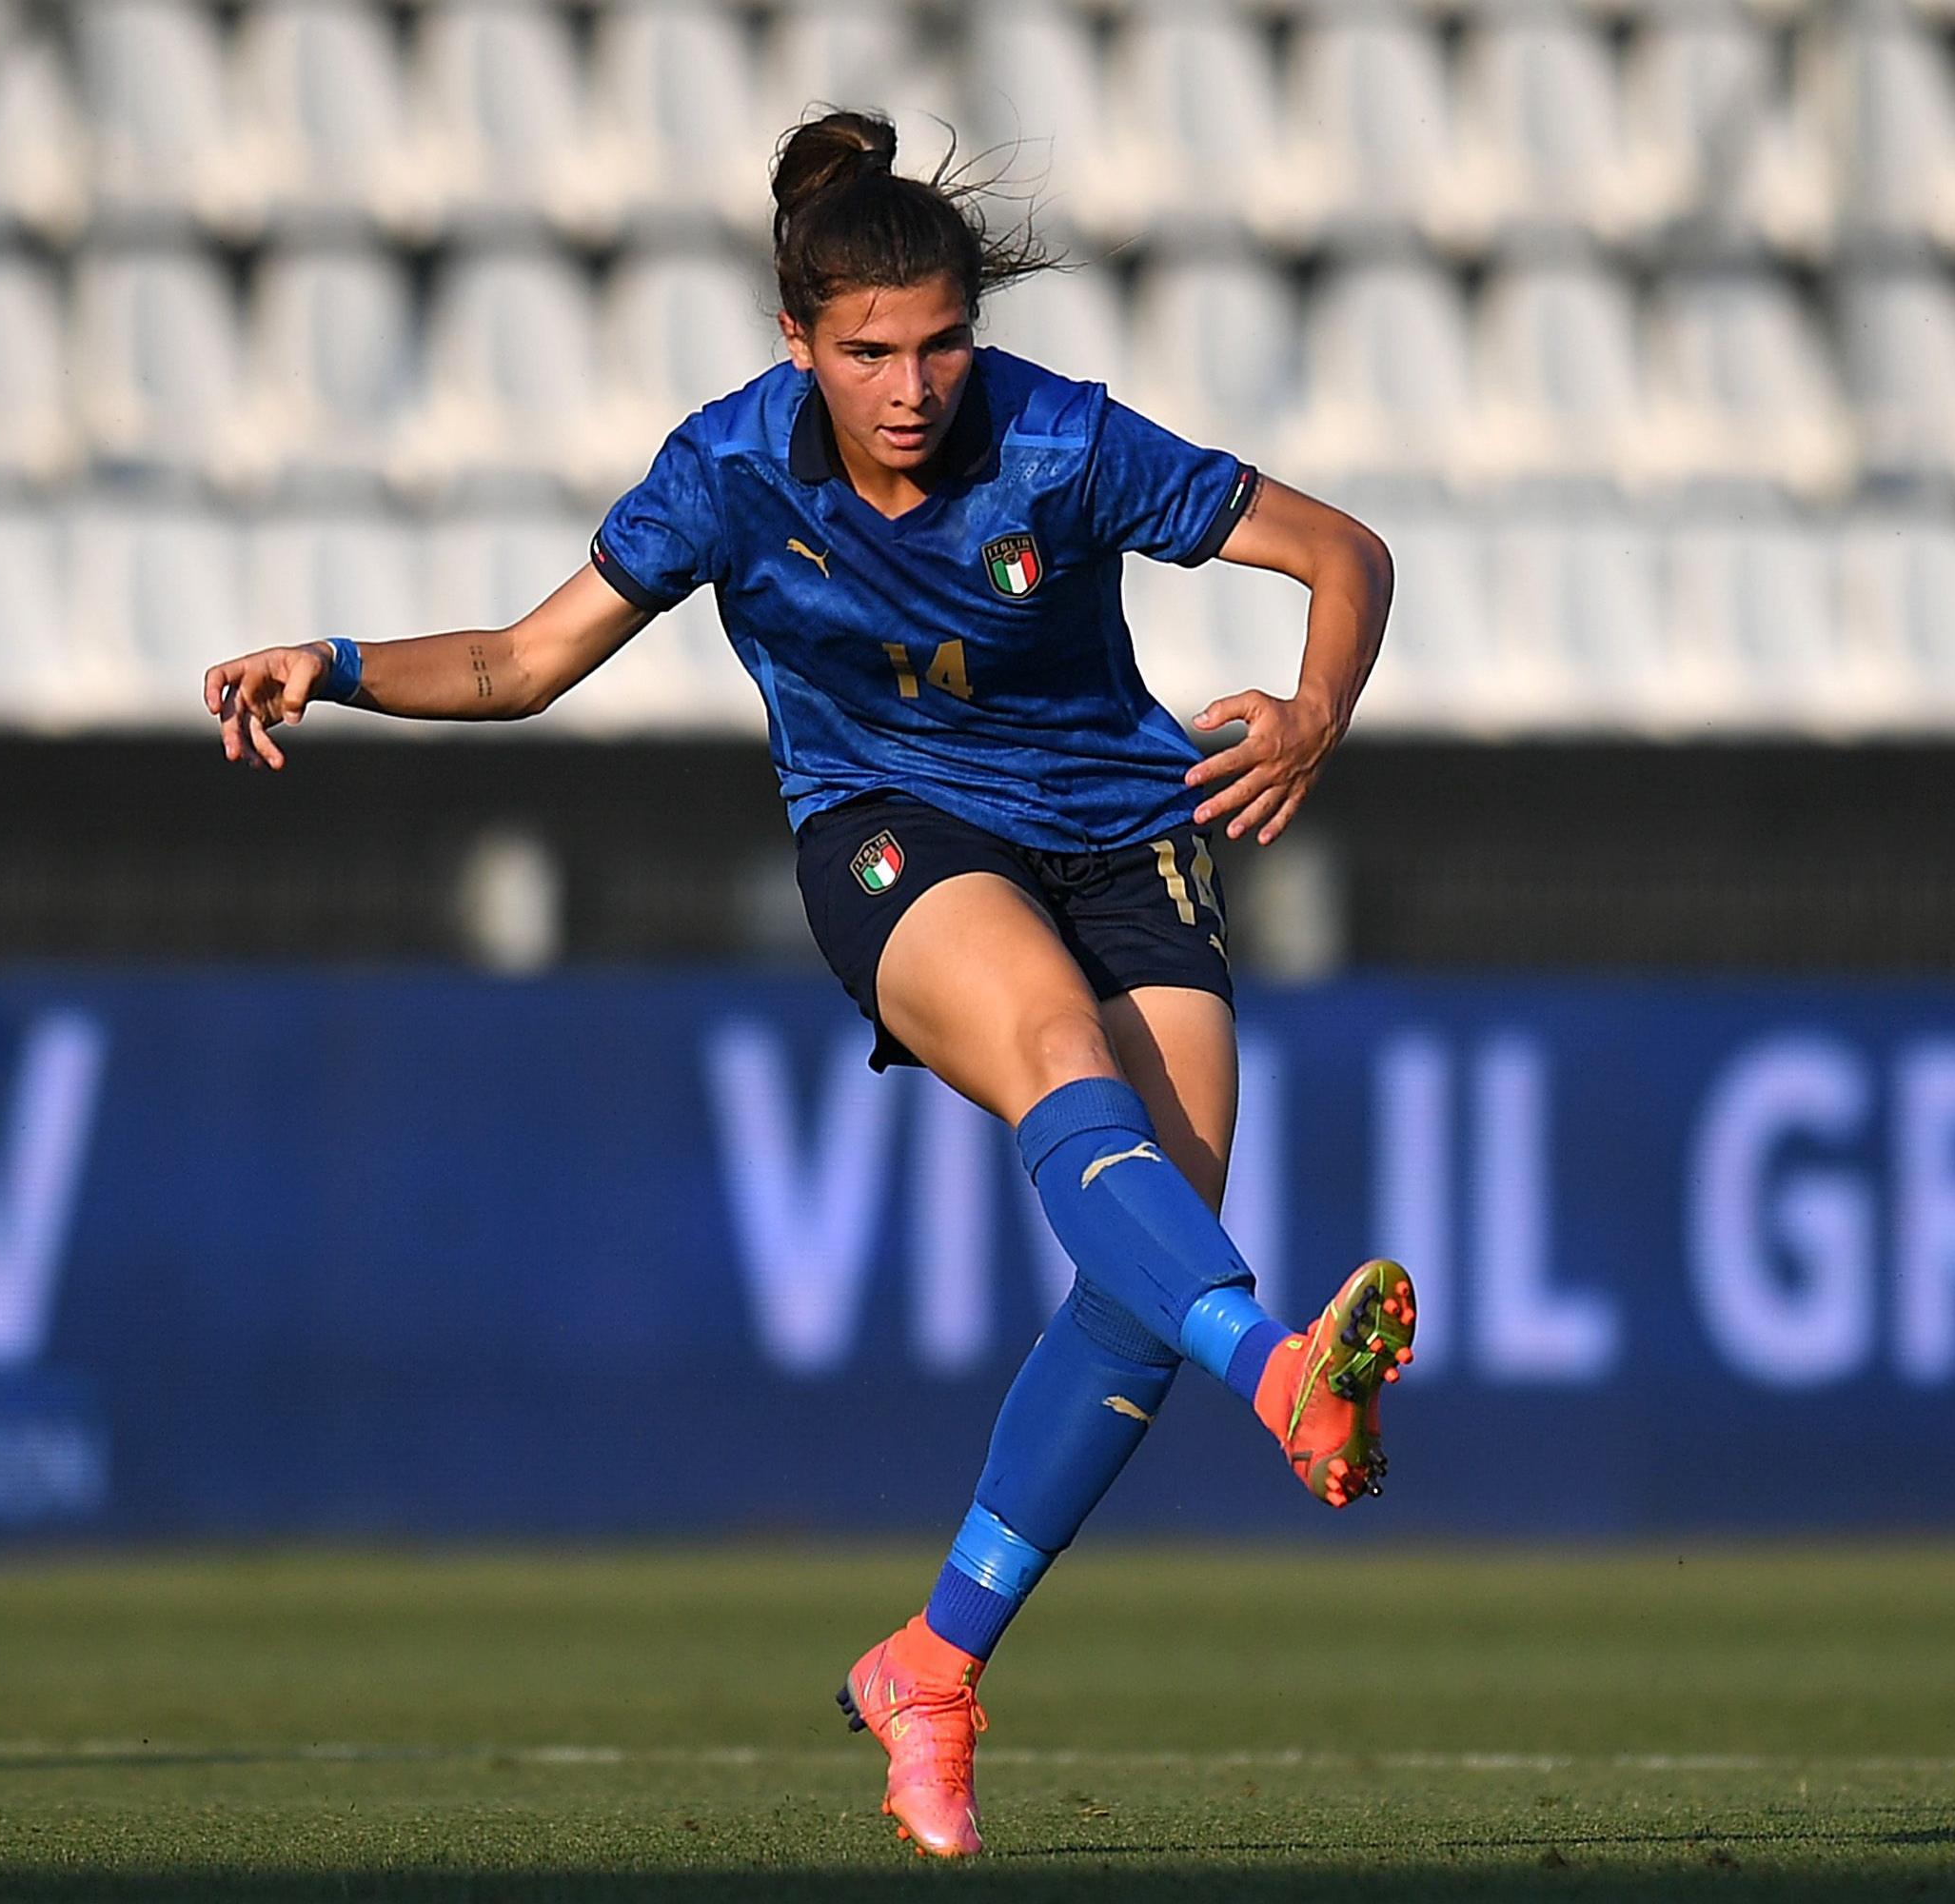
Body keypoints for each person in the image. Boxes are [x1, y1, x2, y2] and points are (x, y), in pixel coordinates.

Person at [203, 110, 1412, 1859]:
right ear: (799, 343)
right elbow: (522, 660)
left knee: (1157, 1253)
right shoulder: (730, 471)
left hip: (1120, 826)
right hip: (890, 834)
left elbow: (1343, 553)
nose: (911, 387)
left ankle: (934, 1660)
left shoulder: (1062, 442)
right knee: (1055, 1054)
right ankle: (1287, 1384)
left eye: (939, 346)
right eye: (868, 354)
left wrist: (1314, 713)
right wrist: (331, 660)